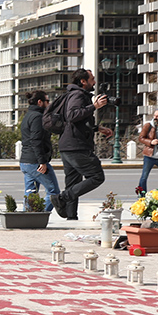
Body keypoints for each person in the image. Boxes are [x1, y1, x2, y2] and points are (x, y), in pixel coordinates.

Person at [53, 68, 110, 220]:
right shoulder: (78, 94)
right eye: (92, 79)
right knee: (97, 176)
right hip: (76, 146)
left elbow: (79, 121)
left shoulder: (75, 94)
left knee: (73, 183)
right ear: (83, 81)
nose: (95, 82)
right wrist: (94, 106)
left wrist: (98, 128)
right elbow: (72, 115)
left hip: (68, 145)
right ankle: (62, 197)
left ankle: (71, 217)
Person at [18, 91, 60, 211]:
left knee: (30, 194)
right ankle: (38, 216)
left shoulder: (28, 116)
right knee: (54, 193)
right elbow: (36, 141)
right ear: (40, 102)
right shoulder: (37, 117)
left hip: (26, 161)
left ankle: (27, 219)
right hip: (36, 162)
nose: (49, 103)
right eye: (47, 101)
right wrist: (42, 162)